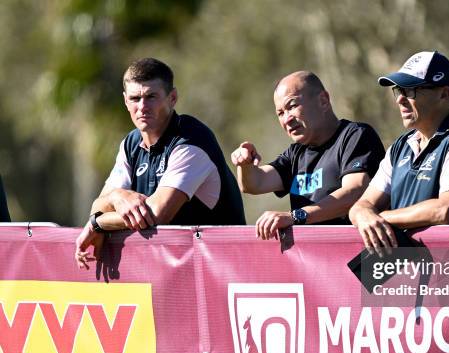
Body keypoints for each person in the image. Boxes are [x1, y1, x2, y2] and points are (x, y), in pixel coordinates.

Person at [75, 58, 245, 268]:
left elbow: (157, 213)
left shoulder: (191, 139)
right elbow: (99, 205)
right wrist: (118, 196)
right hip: (171, 271)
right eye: (135, 98)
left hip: (220, 269)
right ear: (125, 101)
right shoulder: (131, 143)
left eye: (151, 97)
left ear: (172, 98)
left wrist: (97, 224)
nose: (142, 107)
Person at [349, 51, 449, 252]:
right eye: (399, 91)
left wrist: (379, 219)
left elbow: (446, 210)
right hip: (405, 275)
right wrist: (364, 215)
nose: (400, 100)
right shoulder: (400, 146)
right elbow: (361, 205)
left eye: (411, 91)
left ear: (444, 94)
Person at [231, 71, 385, 239]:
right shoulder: (295, 153)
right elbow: (255, 183)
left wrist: (296, 216)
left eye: (292, 106)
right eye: (280, 113)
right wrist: (245, 163)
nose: (286, 119)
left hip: (361, 256)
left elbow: (355, 192)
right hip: (313, 261)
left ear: (323, 101)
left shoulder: (355, 136)